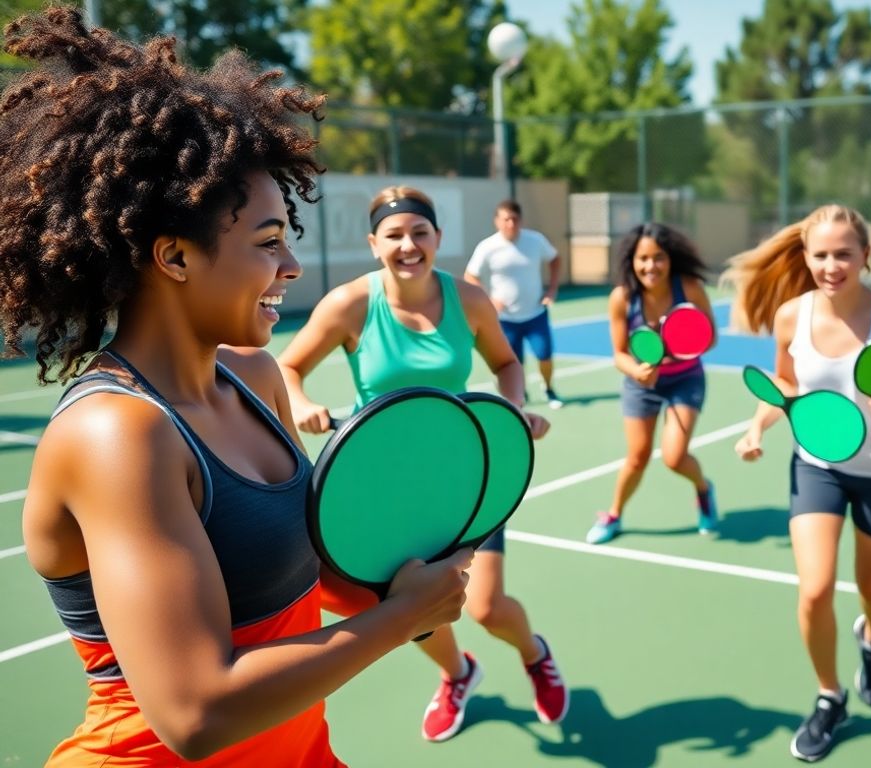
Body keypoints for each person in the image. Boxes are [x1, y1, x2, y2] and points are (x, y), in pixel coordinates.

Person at [4, 9, 472, 765]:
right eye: (267, 242)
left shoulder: (256, 378)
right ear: (174, 257)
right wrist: (396, 622)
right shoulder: (117, 434)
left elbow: (317, 575)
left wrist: (406, 579)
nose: (291, 266)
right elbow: (196, 714)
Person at [277, 186, 569, 742]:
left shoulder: (470, 300)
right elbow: (287, 369)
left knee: (485, 607)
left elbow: (507, 364)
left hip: (466, 478)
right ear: (374, 244)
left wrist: (512, 409)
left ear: (438, 238)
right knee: (412, 612)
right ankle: (458, 673)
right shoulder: (349, 305)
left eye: (419, 233)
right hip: (383, 487)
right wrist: (303, 403)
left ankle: (535, 654)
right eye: (394, 235)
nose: (408, 245)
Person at [726, 205, 871, 762]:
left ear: (866, 256)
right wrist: (757, 426)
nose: (831, 265)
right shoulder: (791, 317)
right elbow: (785, 384)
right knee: (815, 589)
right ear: (805, 258)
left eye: (843, 254)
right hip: (816, 467)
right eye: (820, 254)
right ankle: (830, 697)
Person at [585, 222, 719, 544]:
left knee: (674, 458)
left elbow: (711, 337)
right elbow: (619, 354)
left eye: (658, 257)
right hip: (641, 385)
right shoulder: (622, 298)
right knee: (637, 457)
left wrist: (679, 347)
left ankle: (703, 490)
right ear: (632, 261)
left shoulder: (689, 289)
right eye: (643, 258)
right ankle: (613, 514)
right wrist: (637, 371)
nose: (651, 266)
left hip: (685, 379)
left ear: (670, 259)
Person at [464, 199, 564, 408]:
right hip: (505, 320)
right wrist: (489, 300)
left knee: (545, 355)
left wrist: (552, 290)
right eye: (506, 219)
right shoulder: (487, 247)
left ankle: (549, 389)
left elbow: (555, 259)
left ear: (521, 220)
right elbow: (470, 276)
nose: (510, 223)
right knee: (513, 363)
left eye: (514, 219)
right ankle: (520, 394)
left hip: (536, 314)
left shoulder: (535, 240)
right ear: (497, 221)